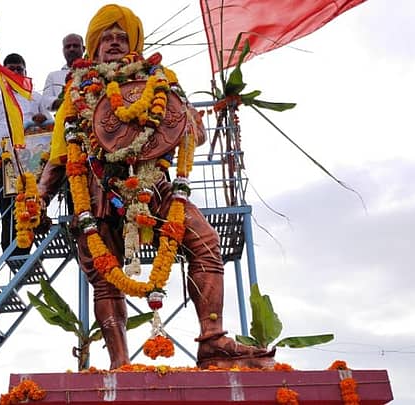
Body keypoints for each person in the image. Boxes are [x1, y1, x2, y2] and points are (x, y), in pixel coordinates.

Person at [37, 4, 273, 370]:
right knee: (105, 277)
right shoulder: (78, 89)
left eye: (121, 37)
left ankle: (213, 341)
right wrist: (39, 199)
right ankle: (119, 363)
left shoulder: (160, 78)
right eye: (106, 37)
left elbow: (192, 130)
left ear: (133, 42)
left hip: (154, 186)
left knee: (205, 241)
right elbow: (59, 154)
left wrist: (186, 121)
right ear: (94, 46)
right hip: (98, 192)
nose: (114, 42)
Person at [0, 53, 52, 256]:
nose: (15, 72)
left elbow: (50, 125)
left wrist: (41, 119)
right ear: (4, 72)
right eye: (11, 69)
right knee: (9, 205)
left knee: (34, 203)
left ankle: (30, 250)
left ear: (25, 72)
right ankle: (12, 252)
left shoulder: (35, 97)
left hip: (34, 157)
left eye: (19, 69)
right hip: (7, 159)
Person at [41, 33, 85, 111]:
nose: (71, 49)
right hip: (63, 117)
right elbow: (45, 101)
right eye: (68, 46)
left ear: (84, 49)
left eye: (75, 46)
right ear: (63, 50)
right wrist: (67, 102)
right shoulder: (53, 76)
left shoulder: (94, 70)